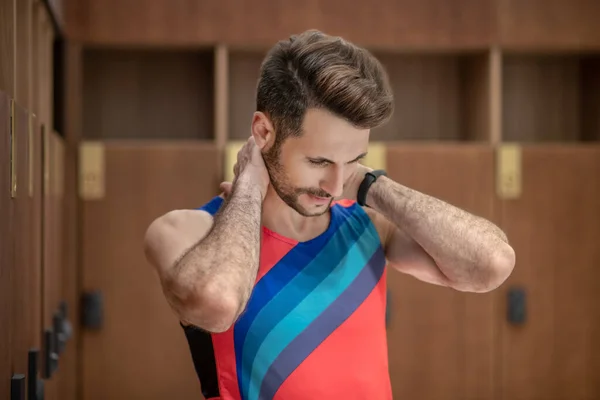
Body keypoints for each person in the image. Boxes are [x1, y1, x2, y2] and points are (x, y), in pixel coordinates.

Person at [143, 30, 515, 400]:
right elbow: (217, 304)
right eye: (319, 161)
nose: (336, 185)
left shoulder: (367, 227)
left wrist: (372, 186)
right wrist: (248, 187)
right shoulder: (189, 231)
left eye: (352, 160)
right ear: (263, 132)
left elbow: (491, 265)